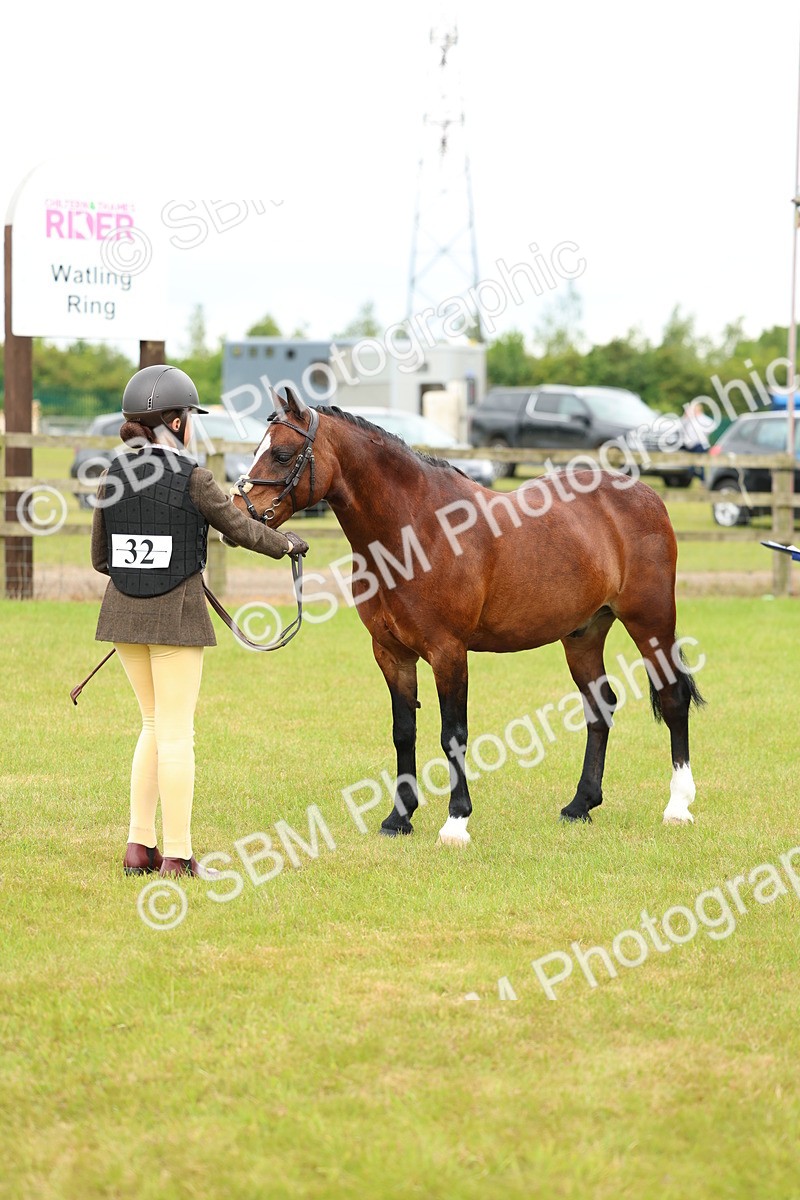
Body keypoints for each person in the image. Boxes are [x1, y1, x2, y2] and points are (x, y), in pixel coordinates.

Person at [90, 364, 308, 878]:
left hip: (122, 617)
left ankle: (138, 847)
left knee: (151, 725)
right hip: (176, 618)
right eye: (188, 414)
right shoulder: (193, 478)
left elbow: (102, 557)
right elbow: (243, 529)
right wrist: (290, 545)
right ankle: (179, 854)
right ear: (176, 421)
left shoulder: (111, 476)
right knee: (177, 733)